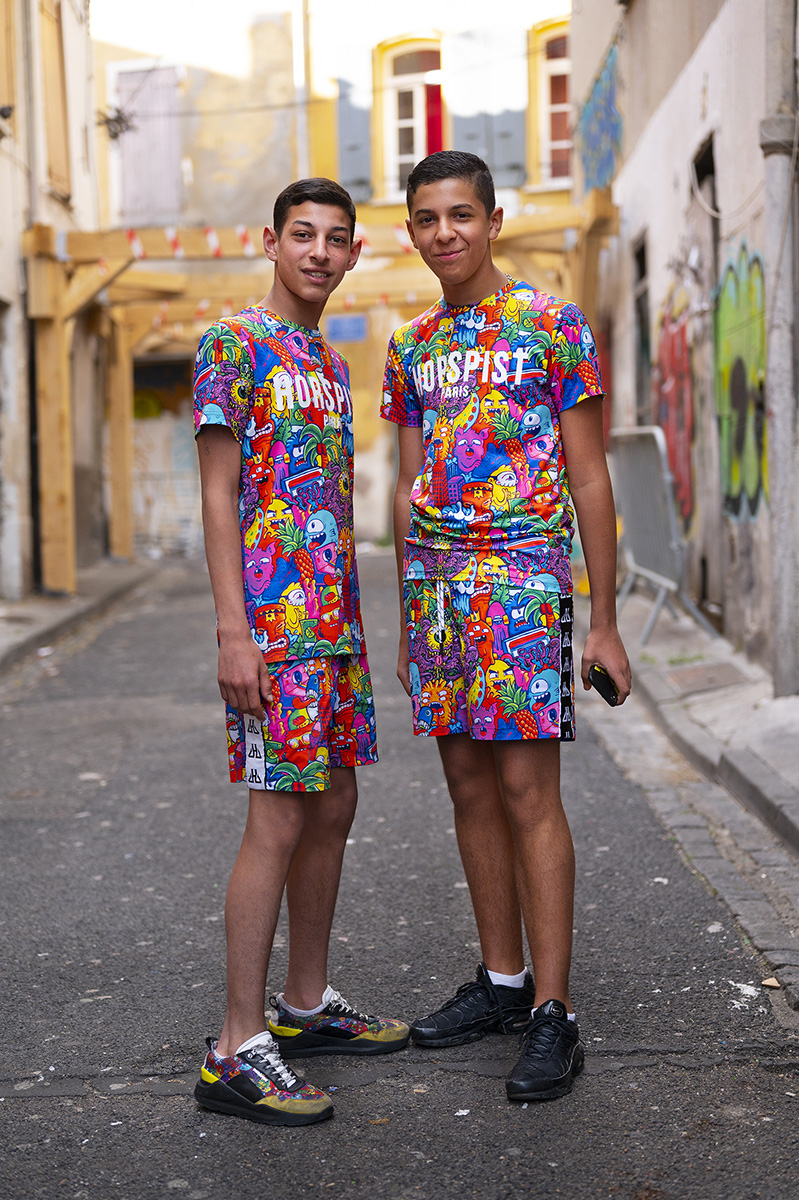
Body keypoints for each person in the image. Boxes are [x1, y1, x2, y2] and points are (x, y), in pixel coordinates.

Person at [382, 151, 631, 1103]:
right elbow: (407, 487)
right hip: (441, 596)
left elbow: (589, 475)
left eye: (460, 215)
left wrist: (602, 619)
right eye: (426, 218)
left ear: (492, 221)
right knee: (467, 787)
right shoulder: (409, 345)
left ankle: (553, 1014)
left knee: (527, 790)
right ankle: (500, 982)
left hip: (524, 585)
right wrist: (408, 615)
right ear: (411, 231)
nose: (443, 232)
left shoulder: (552, 325)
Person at [193, 177, 409, 1128]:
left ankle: (305, 1004)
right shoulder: (233, 344)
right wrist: (233, 630)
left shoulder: (326, 358)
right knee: (276, 819)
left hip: (334, 624)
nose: (318, 252)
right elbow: (217, 492)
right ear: (270, 242)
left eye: (335, 238)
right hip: (273, 630)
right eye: (302, 235)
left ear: (353, 253)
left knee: (335, 803)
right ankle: (235, 1048)